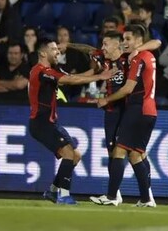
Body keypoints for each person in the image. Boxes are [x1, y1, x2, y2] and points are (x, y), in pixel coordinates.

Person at [30, 38, 115, 204]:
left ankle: (53, 191)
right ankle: (64, 194)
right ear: (42, 53)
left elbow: (74, 76)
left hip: (49, 122)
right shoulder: (41, 71)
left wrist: (95, 71)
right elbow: (69, 81)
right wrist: (99, 76)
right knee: (69, 153)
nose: (58, 52)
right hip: (41, 122)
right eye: (54, 49)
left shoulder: (50, 71)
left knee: (75, 156)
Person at [88, 29, 161, 205]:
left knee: (119, 152)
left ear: (138, 40)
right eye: (123, 39)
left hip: (136, 108)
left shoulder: (136, 57)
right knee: (136, 155)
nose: (124, 42)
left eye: (128, 38)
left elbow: (128, 89)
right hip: (147, 109)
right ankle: (146, 199)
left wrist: (105, 99)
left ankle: (112, 196)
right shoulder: (146, 56)